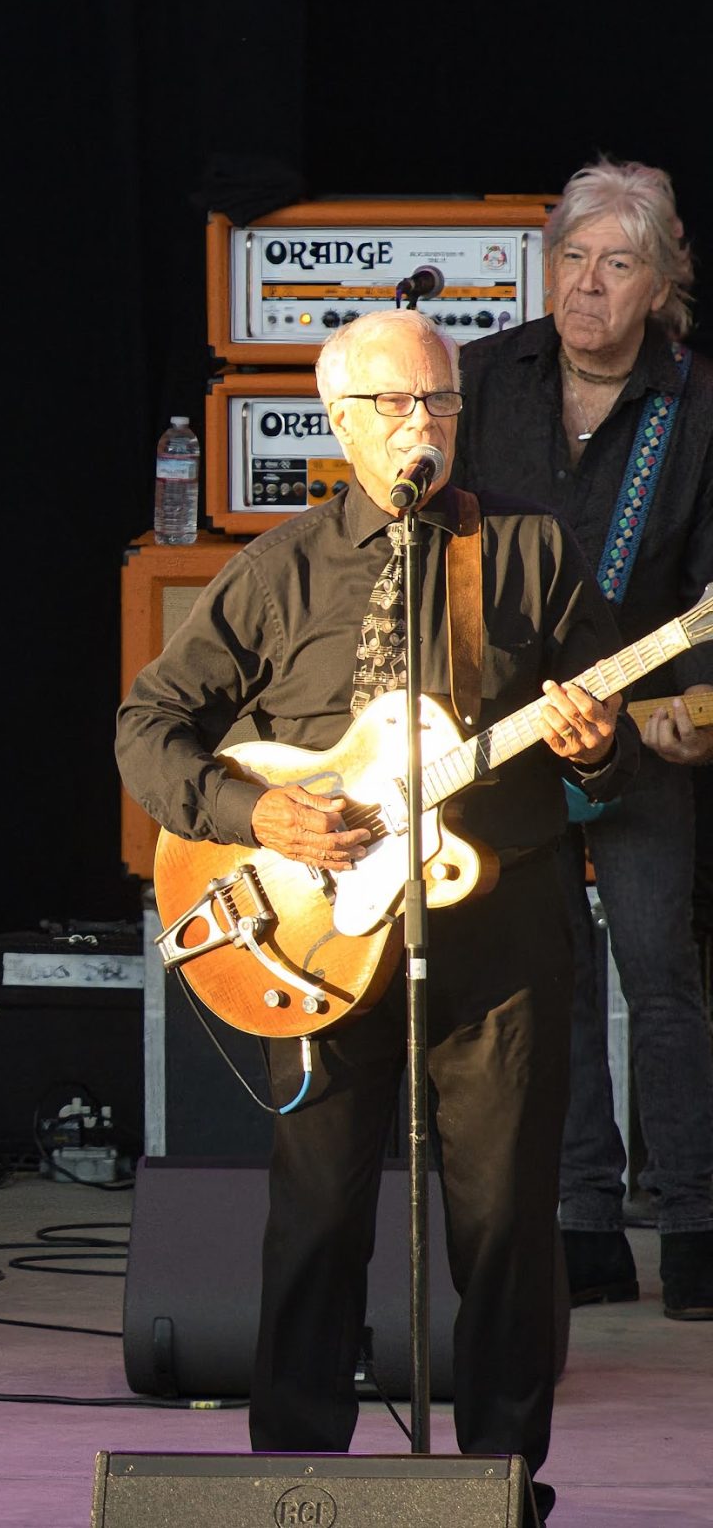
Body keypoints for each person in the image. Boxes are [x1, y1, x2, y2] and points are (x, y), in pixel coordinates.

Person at [116, 309, 631, 1513]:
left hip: (500, 937)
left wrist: (596, 746)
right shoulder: (279, 567)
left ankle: (500, 1483)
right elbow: (149, 725)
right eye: (395, 406)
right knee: (316, 1214)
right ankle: (296, 1475)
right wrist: (257, 818)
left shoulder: (526, 549)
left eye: (440, 403)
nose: (422, 427)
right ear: (340, 421)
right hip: (320, 938)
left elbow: (608, 750)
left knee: (504, 1229)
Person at [455, 158, 713, 1318]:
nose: (588, 285)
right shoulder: (481, 378)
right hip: (511, 731)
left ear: (660, 284)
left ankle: (697, 1225)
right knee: (543, 977)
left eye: (617, 263)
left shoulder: (695, 404)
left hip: (647, 723)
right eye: (571, 258)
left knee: (660, 977)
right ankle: (582, 1223)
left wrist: (687, 704)